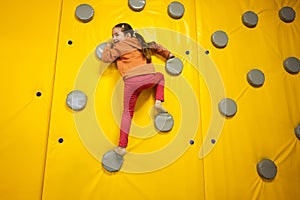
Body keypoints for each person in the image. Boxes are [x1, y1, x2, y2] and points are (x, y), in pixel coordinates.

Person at [102, 23, 174, 156]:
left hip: (131, 83)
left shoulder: (119, 46)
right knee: (160, 76)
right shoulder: (141, 43)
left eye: (117, 35)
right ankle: (158, 102)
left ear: (128, 35)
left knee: (127, 114)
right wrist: (169, 55)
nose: (114, 38)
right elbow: (156, 46)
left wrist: (108, 46)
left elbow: (106, 58)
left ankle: (122, 147)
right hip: (149, 79)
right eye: (112, 36)